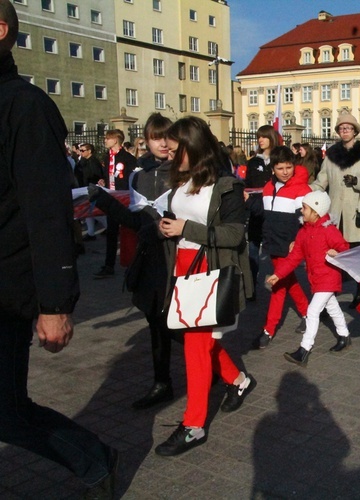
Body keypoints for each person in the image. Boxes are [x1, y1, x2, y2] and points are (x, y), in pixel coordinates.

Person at [0, 1, 118, 495]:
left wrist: (55, 305)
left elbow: (47, 214)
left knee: (5, 412)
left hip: (5, 289)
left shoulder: (24, 105)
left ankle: (94, 461)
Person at [156, 116, 255, 456]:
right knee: (195, 341)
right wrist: (166, 227)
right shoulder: (181, 181)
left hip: (210, 273)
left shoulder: (226, 185)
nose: (167, 148)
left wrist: (185, 229)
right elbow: (181, 225)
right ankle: (239, 381)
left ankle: (194, 426)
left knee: (195, 348)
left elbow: (234, 235)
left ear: (193, 145)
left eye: (175, 143)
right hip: (182, 269)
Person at [88, 112, 177, 410]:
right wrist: (102, 200)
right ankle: (162, 382)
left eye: (168, 136)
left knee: (183, 322)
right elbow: (134, 221)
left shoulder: (184, 173)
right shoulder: (139, 175)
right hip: (151, 258)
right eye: (156, 137)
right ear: (147, 141)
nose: (163, 143)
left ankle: (222, 371)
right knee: (156, 320)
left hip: (179, 256)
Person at [266, 191, 351, 366]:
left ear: (316, 211)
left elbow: (345, 248)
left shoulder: (329, 230)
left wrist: (338, 253)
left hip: (328, 278)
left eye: (305, 208)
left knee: (312, 311)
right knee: (332, 306)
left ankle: (304, 349)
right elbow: (294, 257)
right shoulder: (304, 232)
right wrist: (278, 274)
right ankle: (344, 335)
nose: (302, 211)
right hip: (316, 278)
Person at [311, 111, 360, 308]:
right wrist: (305, 194)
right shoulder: (331, 155)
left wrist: (357, 181)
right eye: (342, 128)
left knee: (357, 257)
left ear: (355, 131)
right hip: (335, 215)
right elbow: (321, 181)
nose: (345, 131)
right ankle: (328, 293)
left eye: (348, 128)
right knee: (333, 258)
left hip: (356, 215)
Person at [257, 146, 311, 349]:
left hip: (289, 246)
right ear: (273, 169)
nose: (286, 171)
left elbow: (307, 220)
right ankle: (308, 313)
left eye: (289, 167)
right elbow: (266, 216)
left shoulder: (302, 189)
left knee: (278, 285)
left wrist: (297, 242)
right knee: (289, 281)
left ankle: (268, 330)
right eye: (280, 168)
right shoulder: (268, 188)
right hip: (272, 243)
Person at [94, 128, 137, 278]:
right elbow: (109, 176)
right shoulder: (107, 157)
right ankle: (109, 265)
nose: (105, 141)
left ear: (116, 140)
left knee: (128, 232)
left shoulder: (128, 158)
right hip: (111, 198)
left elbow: (132, 178)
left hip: (124, 200)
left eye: (108, 138)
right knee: (111, 233)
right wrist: (104, 181)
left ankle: (132, 263)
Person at [244, 125, 279, 301]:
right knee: (252, 251)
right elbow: (248, 184)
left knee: (276, 252)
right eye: (259, 137)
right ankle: (251, 288)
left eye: (264, 137)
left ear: (271, 138)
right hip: (256, 211)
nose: (260, 140)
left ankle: (279, 285)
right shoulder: (253, 162)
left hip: (274, 211)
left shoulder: (278, 159)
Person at [75, 142, 107, 241]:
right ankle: (91, 232)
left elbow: (96, 176)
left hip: (91, 188)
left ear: (89, 151)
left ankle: (107, 226)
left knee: (92, 211)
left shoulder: (93, 162)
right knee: (89, 211)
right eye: (80, 150)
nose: (81, 152)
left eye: (83, 150)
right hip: (85, 187)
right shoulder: (84, 161)